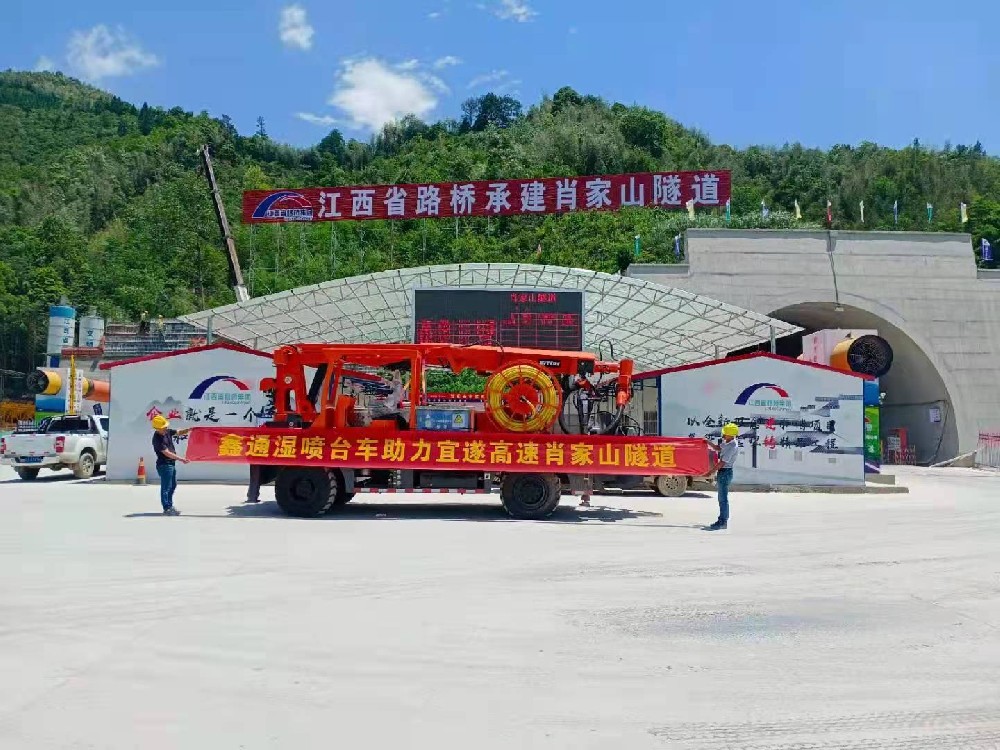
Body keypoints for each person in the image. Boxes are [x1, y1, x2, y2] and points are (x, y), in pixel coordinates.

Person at [151, 415, 191, 515]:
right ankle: (167, 508)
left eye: (165, 427)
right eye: (163, 427)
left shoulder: (167, 432)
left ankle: (169, 505)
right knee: (166, 487)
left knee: (173, 485)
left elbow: (178, 432)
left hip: (171, 464)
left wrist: (189, 430)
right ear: (157, 428)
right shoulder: (157, 439)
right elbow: (167, 453)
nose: (165, 428)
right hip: (164, 465)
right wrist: (181, 459)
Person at [706, 422, 739, 531]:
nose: (723, 435)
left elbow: (722, 463)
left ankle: (723, 522)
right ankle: (722, 520)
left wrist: (710, 472)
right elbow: (717, 448)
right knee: (722, 498)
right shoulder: (727, 442)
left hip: (725, 472)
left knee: (723, 499)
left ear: (731, 435)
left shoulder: (732, 446)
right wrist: (707, 442)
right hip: (723, 472)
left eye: (725, 433)